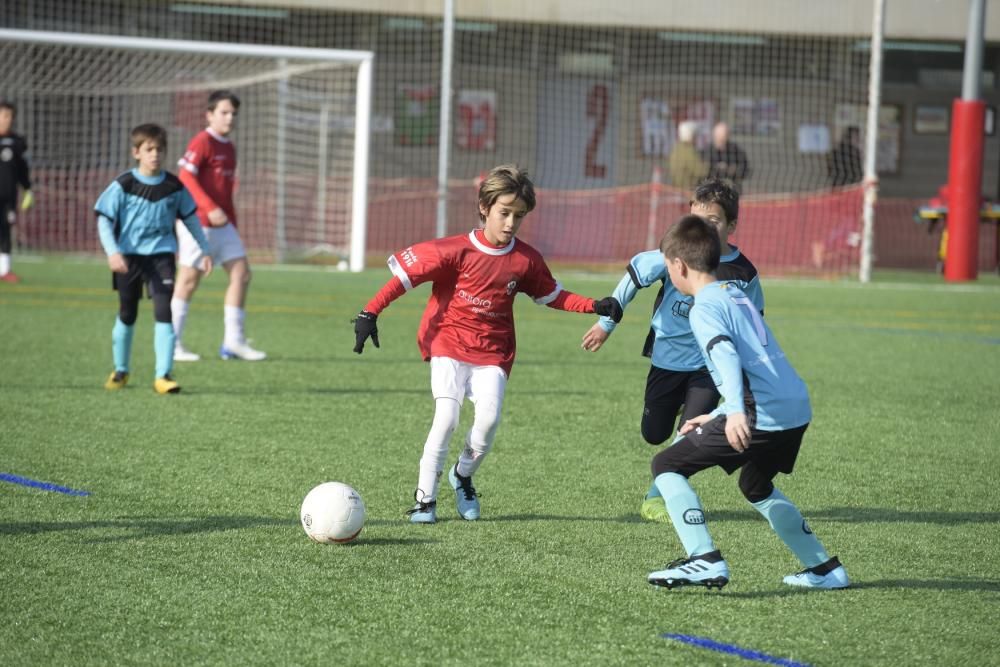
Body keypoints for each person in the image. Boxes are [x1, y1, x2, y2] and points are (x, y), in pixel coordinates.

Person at [352, 164, 623, 524]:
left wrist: (593, 305)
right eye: (504, 213)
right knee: (446, 417)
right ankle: (424, 501)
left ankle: (462, 476)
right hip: (448, 341)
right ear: (484, 207)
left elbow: (551, 295)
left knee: (489, 421)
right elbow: (405, 278)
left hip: (493, 352)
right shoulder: (454, 250)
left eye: (519, 216)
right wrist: (369, 313)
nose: (511, 223)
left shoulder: (525, 259)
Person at [646, 215, 848, 590]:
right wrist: (720, 411)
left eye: (667, 267)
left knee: (666, 464)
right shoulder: (735, 292)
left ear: (678, 266)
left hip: (760, 410)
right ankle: (824, 569)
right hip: (795, 406)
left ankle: (703, 558)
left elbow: (723, 352)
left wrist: (735, 410)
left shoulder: (703, 306)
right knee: (755, 484)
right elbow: (755, 358)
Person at [581, 178, 763, 523]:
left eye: (713, 221)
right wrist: (606, 324)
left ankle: (656, 497)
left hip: (709, 367)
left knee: (690, 432)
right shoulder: (672, 255)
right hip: (667, 361)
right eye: (696, 219)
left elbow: (754, 321)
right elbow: (635, 274)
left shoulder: (743, 273)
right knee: (654, 434)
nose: (703, 229)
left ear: (732, 225)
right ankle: (673, 416)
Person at [95, 123, 214, 394]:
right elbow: (104, 218)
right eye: (149, 149)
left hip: (161, 257)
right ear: (136, 152)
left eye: (159, 149)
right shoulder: (124, 184)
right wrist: (112, 252)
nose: (155, 154)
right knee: (128, 313)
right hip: (129, 258)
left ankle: (163, 375)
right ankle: (121, 370)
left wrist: (205, 249)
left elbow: (191, 218)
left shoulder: (174, 186)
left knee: (164, 312)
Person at [172, 90, 265, 362]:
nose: (229, 117)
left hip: (224, 225)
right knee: (189, 279)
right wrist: (209, 207)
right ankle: (172, 343)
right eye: (224, 112)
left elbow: (225, 192)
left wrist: (231, 223)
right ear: (209, 115)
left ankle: (233, 342)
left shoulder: (229, 146)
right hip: (196, 221)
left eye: (233, 113)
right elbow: (185, 176)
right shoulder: (203, 141)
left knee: (241, 273)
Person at [0, 100, 34, 283]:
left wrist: (28, 189)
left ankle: (5, 270)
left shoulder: (18, 142)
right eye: (4, 115)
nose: (8, 120)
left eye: (10, 116)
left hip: (8, 196)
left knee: (5, 230)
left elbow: (22, 169)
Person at [703, 122, 750, 192]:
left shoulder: (736, 151)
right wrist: (716, 168)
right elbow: (702, 172)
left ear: (728, 136)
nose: (720, 139)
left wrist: (730, 170)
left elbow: (744, 170)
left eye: (723, 136)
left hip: (731, 190)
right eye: (718, 136)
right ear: (714, 136)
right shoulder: (707, 152)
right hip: (711, 190)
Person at [667, 120, 707, 192]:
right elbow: (701, 171)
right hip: (688, 190)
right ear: (691, 136)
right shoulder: (689, 150)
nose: (696, 139)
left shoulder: (676, 148)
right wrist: (710, 165)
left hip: (677, 188)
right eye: (695, 136)